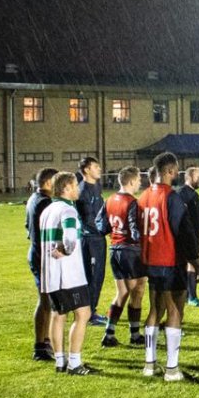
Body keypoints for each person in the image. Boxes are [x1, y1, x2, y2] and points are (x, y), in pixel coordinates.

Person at [139, 153, 199, 381]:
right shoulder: (171, 197)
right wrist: (196, 262)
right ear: (168, 171)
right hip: (170, 260)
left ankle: (149, 364)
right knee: (175, 309)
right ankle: (172, 368)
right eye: (175, 170)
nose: (177, 173)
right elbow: (184, 232)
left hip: (151, 261)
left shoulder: (143, 196)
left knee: (155, 310)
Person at [40, 172, 100, 375]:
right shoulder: (68, 210)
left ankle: (60, 361)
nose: (77, 189)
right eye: (74, 186)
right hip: (69, 275)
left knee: (58, 315)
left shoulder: (47, 210)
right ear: (66, 188)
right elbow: (70, 239)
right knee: (83, 313)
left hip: (50, 274)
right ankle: (75, 363)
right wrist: (66, 250)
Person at [101, 166, 147, 348]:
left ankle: (109, 333)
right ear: (131, 181)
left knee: (122, 292)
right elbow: (135, 231)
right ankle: (135, 334)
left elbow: (101, 226)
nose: (140, 183)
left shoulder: (109, 200)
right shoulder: (132, 202)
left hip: (115, 249)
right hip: (130, 251)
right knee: (138, 289)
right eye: (138, 180)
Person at [26, 167, 60, 362]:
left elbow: (27, 227)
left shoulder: (33, 199)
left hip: (36, 252)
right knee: (46, 301)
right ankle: (40, 346)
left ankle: (45, 341)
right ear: (48, 183)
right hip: (42, 256)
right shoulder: (45, 203)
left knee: (47, 300)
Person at [75, 158, 111, 327]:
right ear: (87, 170)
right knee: (92, 276)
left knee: (98, 275)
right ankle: (89, 313)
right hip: (90, 240)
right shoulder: (82, 191)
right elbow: (88, 220)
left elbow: (101, 213)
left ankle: (92, 310)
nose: (99, 169)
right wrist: (104, 230)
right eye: (96, 167)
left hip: (99, 238)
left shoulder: (97, 186)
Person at [179, 167, 199, 308]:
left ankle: (187, 295)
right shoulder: (185, 194)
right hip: (189, 235)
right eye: (198, 176)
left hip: (192, 234)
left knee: (188, 264)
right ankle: (192, 296)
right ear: (190, 177)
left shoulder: (190, 194)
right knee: (192, 264)